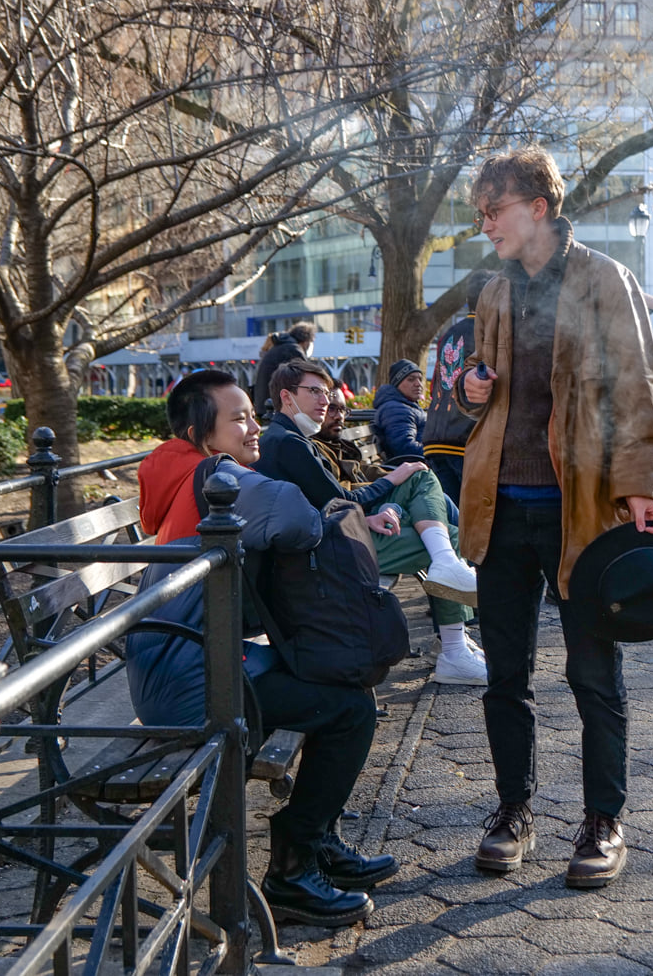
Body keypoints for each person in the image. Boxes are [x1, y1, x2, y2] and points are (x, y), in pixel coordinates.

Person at [455, 144, 653, 889]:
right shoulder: (493, 292)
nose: (486, 225)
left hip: (581, 511)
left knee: (593, 673)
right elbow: (479, 389)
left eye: (494, 211)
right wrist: (471, 388)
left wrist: (643, 486)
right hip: (500, 507)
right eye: (481, 215)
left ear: (538, 207)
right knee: (504, 675)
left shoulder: (603, 278)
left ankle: (604, 821)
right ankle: (512, 812)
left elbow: (639, 387)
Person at [131, 369, 395, 927]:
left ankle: (317, 843)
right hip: (192, 680)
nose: (256, 428)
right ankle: (293, 871)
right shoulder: (216, 476)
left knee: (336, 687)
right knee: (349, 708)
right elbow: (297, 519)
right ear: (202, 434)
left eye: (253, 415)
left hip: (182, 663)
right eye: (240, 419)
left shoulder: (186, 471)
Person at [257, 359, 488, 684]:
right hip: (326, 554)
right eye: (315, 392)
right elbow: (339, 501)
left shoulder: (291, 437)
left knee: (421, 481)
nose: (324, 400)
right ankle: (453, 647)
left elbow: (328, 501)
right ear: (286, 396)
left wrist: (374, 511)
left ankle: (454, 635)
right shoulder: (287, 443)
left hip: (334, 537)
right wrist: (390, 482)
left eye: (326, 393)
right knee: (444, 530)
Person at [425, 270, 497, 503]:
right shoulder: (490, 333)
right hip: (467, 437)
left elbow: (436, 386)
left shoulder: (450, 332)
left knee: (450, 514)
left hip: (435, 436)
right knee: (471, 514)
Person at [252, 321, 317, 418]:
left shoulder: (280, 346)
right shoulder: (294, 350)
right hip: (275, 407)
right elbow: (306, 378)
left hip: (264, 404)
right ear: (306, 341)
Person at [372, 359, 427, 463]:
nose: (418, 384)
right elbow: (406, 448)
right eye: (411, 379)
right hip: (415, 466)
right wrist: (437, 453)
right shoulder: (395, 410)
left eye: (420, 379)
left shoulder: (407, 406)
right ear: (397, 383)